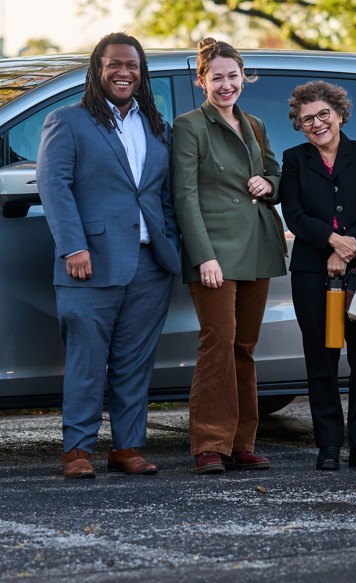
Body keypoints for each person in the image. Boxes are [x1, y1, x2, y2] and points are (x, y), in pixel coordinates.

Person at [37, 33, 180, 479]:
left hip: (150, 265)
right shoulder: (68, 121)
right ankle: (77, 450)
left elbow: (164, 194)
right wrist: (73, 246)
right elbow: (54, 186)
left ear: (142, 72)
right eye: (114, 64)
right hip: (90, 262)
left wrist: (170, 244)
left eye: (132, 65)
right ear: (97, 70)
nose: (123, 72)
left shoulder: (157, 126)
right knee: (86, 360)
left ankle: (127, 446)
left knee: (134, 362)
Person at [171, 37, 286, 474]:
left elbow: (275, 172)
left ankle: (241, 443)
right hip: (214, 252)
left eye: (233, 76)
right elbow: (184, 195)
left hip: (257, 245)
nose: (226, 85)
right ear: (201, 81)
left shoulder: (254, 124)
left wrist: (269, 184)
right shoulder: (189, 126)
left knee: (244, 347)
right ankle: (210, 444)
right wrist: (203, 256)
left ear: (244, 78)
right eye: (216, 77)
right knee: (217, 343)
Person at [280, 80, 356, 472]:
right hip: (311, 271)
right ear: (300, 125)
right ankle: (328, 446)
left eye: (323, 114)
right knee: (321, 359)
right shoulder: (294, 159)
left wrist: (347, 249)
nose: (317, 123)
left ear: (340, 114)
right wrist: (332, 241)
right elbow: (294, 214)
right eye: (307, 118)